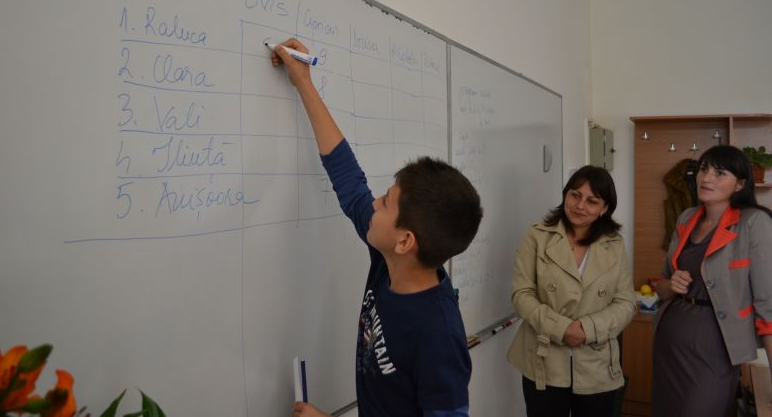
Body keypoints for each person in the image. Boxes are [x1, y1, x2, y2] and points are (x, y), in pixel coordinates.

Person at [270, 39, 484, 417]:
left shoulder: (438, 335)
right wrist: (304, 82)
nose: (373, 205)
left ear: (405, 241)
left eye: (384, 203)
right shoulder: (390, 262)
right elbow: (348, 179)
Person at [652, 145, 772, 417]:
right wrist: (671, 285)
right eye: (704, 169)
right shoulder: (686, 218)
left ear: (740, 184)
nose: (706, 178)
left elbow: (768, 305)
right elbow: (662, 285)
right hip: (670, 343)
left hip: (717, 346)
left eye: (720, 173)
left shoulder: (755, 222)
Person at [507, 165, 635, 417]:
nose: (580, 206)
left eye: (592, 201)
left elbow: (625, 301)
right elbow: (521, 294)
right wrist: (561, 329)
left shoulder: (614, 243)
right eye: (575, 195)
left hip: (596, 363)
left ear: (604, 208)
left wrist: (587, 329)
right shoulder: (537, 236)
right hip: (544, 359)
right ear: (565, 194)